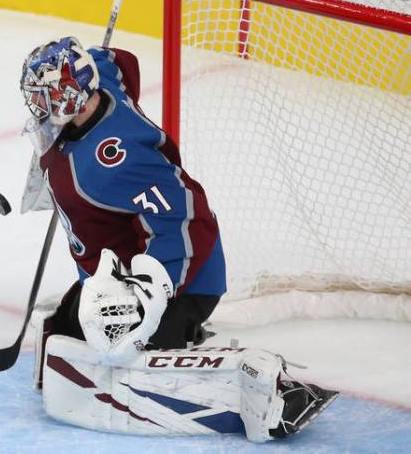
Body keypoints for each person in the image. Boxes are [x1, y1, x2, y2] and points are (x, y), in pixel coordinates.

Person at [18, 36, 336, 441]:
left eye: (45, 98)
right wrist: (92, 59)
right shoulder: (102, 86)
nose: (37, 108)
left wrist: (151, 291)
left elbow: (187, 219)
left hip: (181, 277)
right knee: (62, 339)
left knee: (129, 358)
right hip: (121, 271)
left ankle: (267, 386)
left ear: (71, 98)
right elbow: (120, 62)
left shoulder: (118, 160)